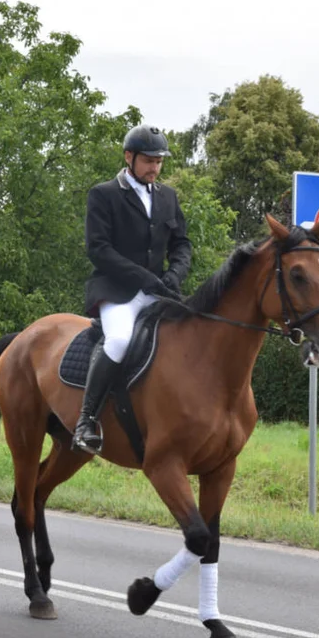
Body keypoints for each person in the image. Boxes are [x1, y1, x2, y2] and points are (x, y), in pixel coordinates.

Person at [71, 124, 193, 455]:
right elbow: (98, 249)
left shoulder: (168, 197)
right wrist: (143, 278)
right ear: (129, 157)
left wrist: (175, 275)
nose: (155, 167)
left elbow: (181, 244)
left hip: (159, 291)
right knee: (121, 339)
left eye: (159, 161)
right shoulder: (104, 193)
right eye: (149, 160)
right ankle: (86, 421)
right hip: (116, 291)